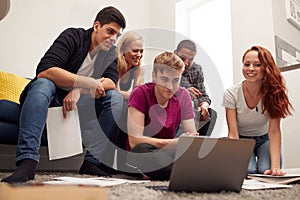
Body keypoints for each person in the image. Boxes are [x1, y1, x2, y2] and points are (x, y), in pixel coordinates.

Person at [1, 6, 126, 184]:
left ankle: (92, 162)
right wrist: (88, 83)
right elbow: (45, 71)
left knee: (115, 98)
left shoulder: (110, 53)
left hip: (76, 110)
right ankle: (27, 162)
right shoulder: (73, 36)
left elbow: (111, 82)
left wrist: (78, 89)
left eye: (117, 35)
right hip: (49, 101)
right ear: (96, 26)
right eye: (110, 31)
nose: (113, 39)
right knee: (43, 84)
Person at [125, 52, 198, 180]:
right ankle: (188, 172)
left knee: (197, 152)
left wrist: (181, 144)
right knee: (141, 149)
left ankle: (181, 171)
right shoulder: (140, 93)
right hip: (145, 151)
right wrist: (175, 143)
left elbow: (192, 138)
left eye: (176, 81)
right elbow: (134, 141)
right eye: (164, 79)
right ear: (154, 76)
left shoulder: (183, 95)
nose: (170, 87)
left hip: (167, 152)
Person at [222, 45, 293, 176]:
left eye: (257, 64)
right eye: (246, 64)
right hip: (242, 140)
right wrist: (235, 161)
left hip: (265, 139)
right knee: (247, 171)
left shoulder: (274, 93)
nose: (250, 69)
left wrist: (276, 167)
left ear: (266, 68)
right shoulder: (231, 93)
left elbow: (274, 131)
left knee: (265, 171)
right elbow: (233, 133)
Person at [113, 31, 145, 172]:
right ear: (124, 50)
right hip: (108, 102)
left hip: (124, 103)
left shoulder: (138, 69)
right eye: (135, 50)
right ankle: (122, 162)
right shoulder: (114, 64)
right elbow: (114, 92)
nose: (139, 54)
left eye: (141, 51)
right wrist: (131, 96)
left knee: (134, 108)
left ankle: (128, 161)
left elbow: (138, 94)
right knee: (124, 104)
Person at [174, 40, 217, 136]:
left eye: (190, 59)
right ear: (175, 53)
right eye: (182, 58)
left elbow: (203, 95)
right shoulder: (168, 66)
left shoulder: (196, 69)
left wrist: (204, 106)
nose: (186, 63)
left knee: (211, 113)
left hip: (194, 109)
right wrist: (183, 92)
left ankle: (199, 145)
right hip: (176, 108)